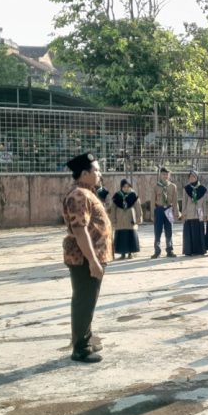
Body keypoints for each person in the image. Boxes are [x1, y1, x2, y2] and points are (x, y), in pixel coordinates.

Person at [62, 153, 113, 363]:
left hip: (91, 257)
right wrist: (92, 261)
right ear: (84, 173)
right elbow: (80, 230)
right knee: (84, 300)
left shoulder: (86, 193)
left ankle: (86, 338)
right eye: (96, 170)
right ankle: (80, 348)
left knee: (88, 300)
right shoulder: (79, 195)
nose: (100, 174)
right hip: (84, 259)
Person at [109, 179, 142, 259]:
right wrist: (113, 220)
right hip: (120, 220)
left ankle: (130, 253)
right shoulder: (117, 196)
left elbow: (138, 207)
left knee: (130, 235)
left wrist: (139, 218)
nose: (126, 188)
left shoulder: (133, 195)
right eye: (124, 187)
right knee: (121, 236)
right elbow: (113, 209)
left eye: (128, 186)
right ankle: (122, 254)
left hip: (130, 219)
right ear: (121, 187)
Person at [152, 167, 180, 258]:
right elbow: (152, 201)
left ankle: (169, 250)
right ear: (160, 175)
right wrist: (153, 214)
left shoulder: (173, 186)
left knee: (169, 230)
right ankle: (157, 251)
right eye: (163, 174)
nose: (165, 176)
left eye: (167, 174)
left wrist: (176, 212)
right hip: (159, 210)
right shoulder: (156, 186)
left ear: (169, 175)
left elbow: (175, 201)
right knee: (157, 231)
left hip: (169, 209)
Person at [182, 170, 207, 256]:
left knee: (199, 232)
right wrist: (184, 214)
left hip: (199, 214)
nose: (192, 178)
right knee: (189, 233)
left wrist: (205, 214)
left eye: (194, 176)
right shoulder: (186, 189)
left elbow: (205, 203)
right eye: (190, 177)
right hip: (189, 214)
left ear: (197, 177)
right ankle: (189, 251)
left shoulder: (203, 189)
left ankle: (200, 251)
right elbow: (184, 202)